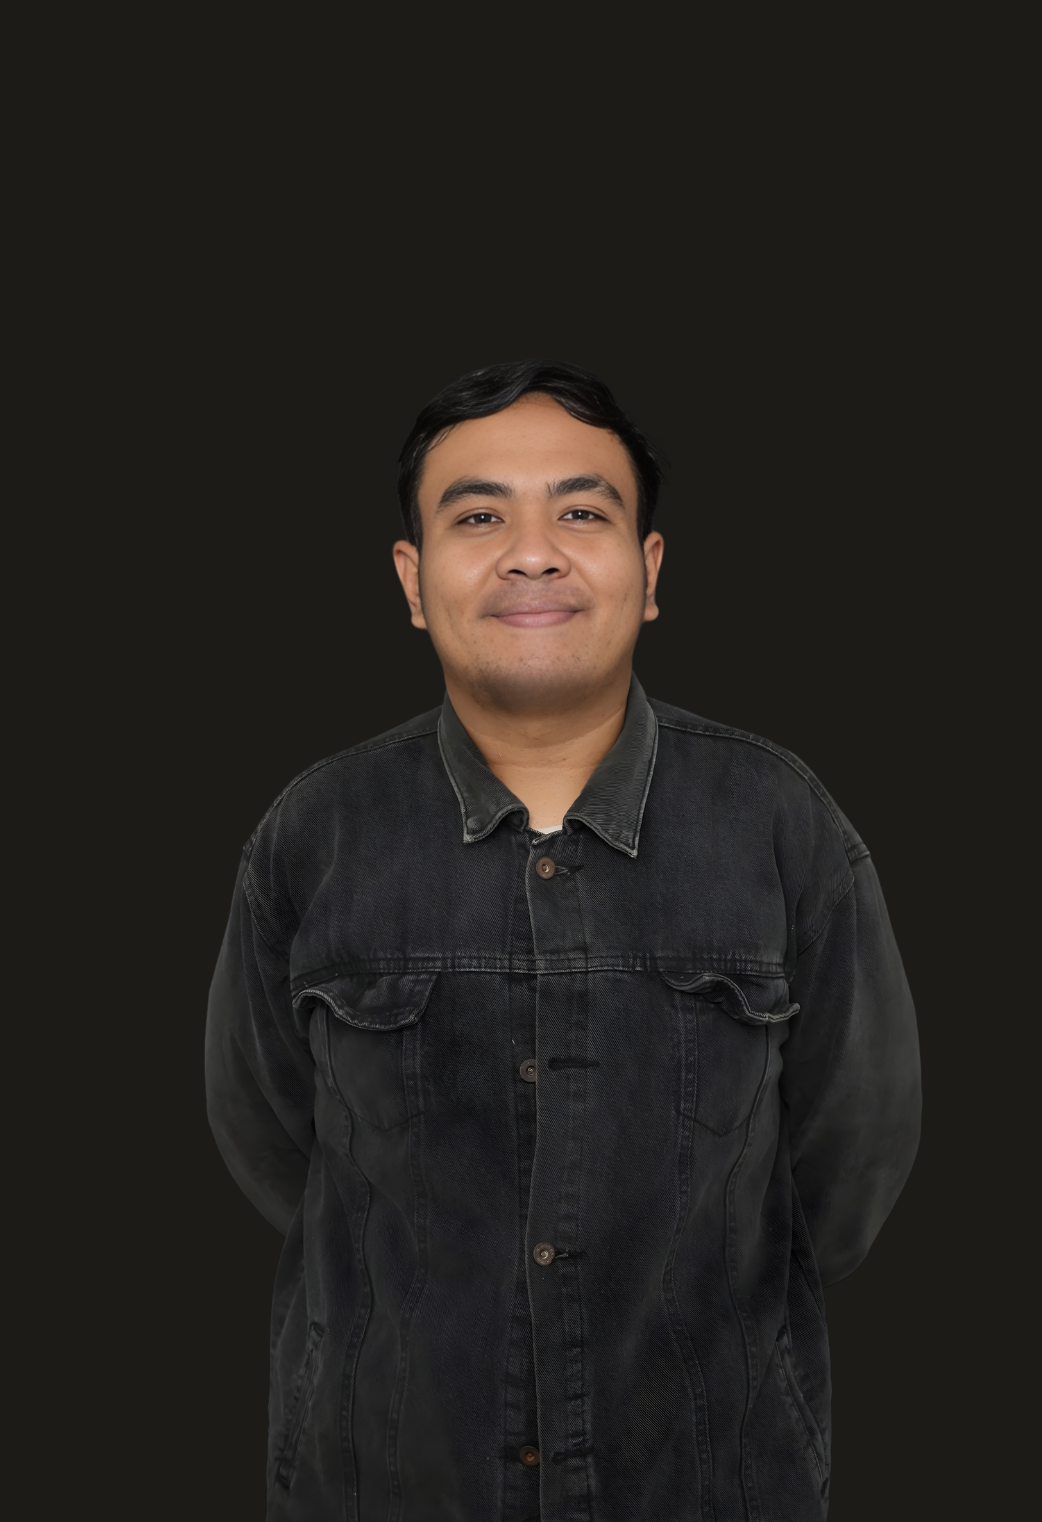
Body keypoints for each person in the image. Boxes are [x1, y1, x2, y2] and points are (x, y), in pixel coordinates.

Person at [205, 358, 921, 1522]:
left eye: (581, 513)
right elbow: (271, 1135)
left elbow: (852, 1158)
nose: (531, 553)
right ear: (413, 579)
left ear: (649, 570)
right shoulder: (316, 831)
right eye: (479, 516)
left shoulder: (780, 821)